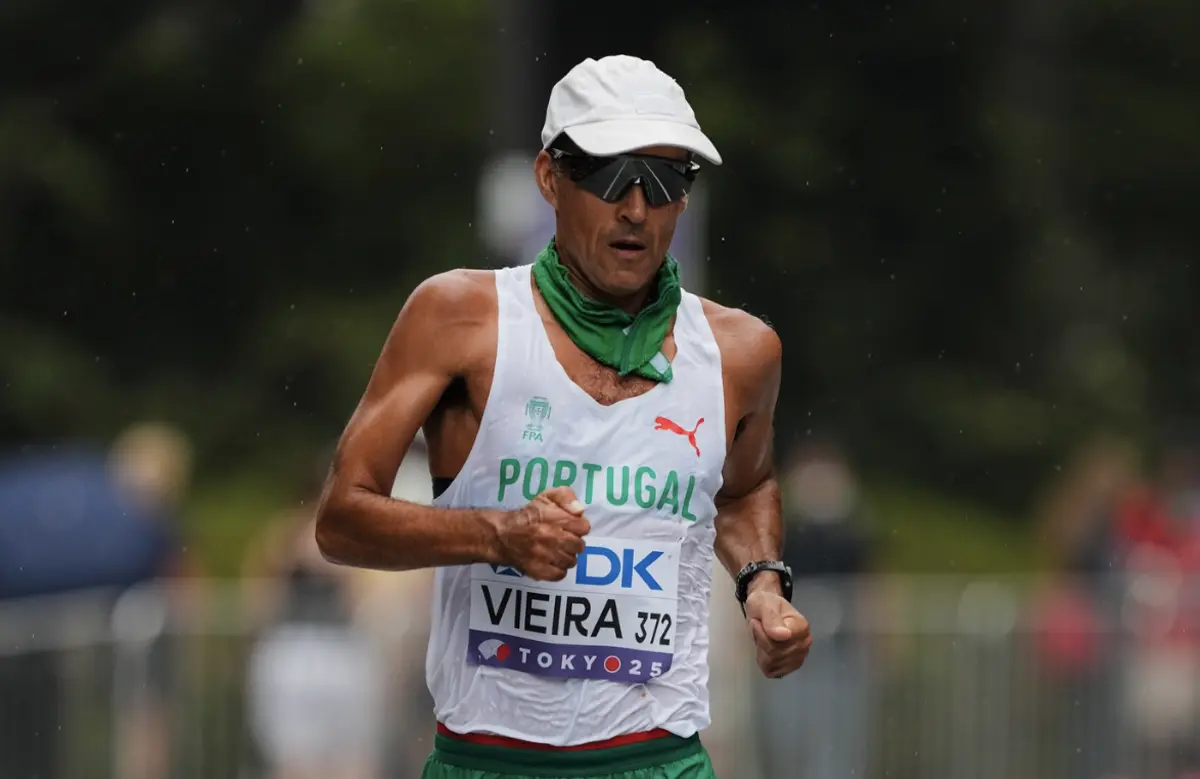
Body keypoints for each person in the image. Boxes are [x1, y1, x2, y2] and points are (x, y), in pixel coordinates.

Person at [315, 54, 812, 779]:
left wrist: (763, 585)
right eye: (611, 175)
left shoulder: (742, 351)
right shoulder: (460, 318)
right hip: (489, 759)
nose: (638, 207)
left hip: (659, 759)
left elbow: (744, 487)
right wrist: (495, 533)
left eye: (668, 179)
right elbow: (339, 519)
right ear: (550, 178)